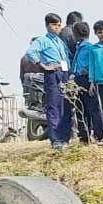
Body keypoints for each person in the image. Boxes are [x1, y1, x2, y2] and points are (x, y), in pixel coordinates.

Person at [26, 13, 72, 149]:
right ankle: (56, 140)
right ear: (47, 26)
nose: (56, 28)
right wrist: (43, 65)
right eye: (53, 25)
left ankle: (65, 138)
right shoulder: (42, 40)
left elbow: (67, 58)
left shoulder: (60, 42)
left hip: (65, 73)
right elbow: (31, 52)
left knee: (66, 105)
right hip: (52, 73)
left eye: (58, 25)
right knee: (54, 106)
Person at [67, 20, 103, 142]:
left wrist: (89, 75)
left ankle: (99, 135)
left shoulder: (90, 48)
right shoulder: (79, 47)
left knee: (93, 108)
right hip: (78, 79)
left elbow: (94, 65)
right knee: (80, 108)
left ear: (76, 33)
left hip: (87, 79)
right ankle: (84, 136)